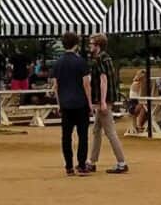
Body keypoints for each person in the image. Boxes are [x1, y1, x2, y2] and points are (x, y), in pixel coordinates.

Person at [83, 33, 128, 174]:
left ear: (98, 45)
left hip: (104, 100)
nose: (89, 46)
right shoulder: (103, 58)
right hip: (104, 99)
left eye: (91, 44)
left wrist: (102, 101)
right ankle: (92, 160)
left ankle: (121, 162)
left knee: (110, 132)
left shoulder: (100, 59)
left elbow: (104, 80)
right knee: (96, 130)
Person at [51, 31, 92, 177]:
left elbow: (55, 86)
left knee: (66, 136)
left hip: (65, 104)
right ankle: (81, 165)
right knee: (83, 136)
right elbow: (86, 85)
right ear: (76, 44)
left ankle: (68, 166)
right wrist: (90, 104)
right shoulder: (81, 61)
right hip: (80, 103)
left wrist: (59, 104)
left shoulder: (58, 63)